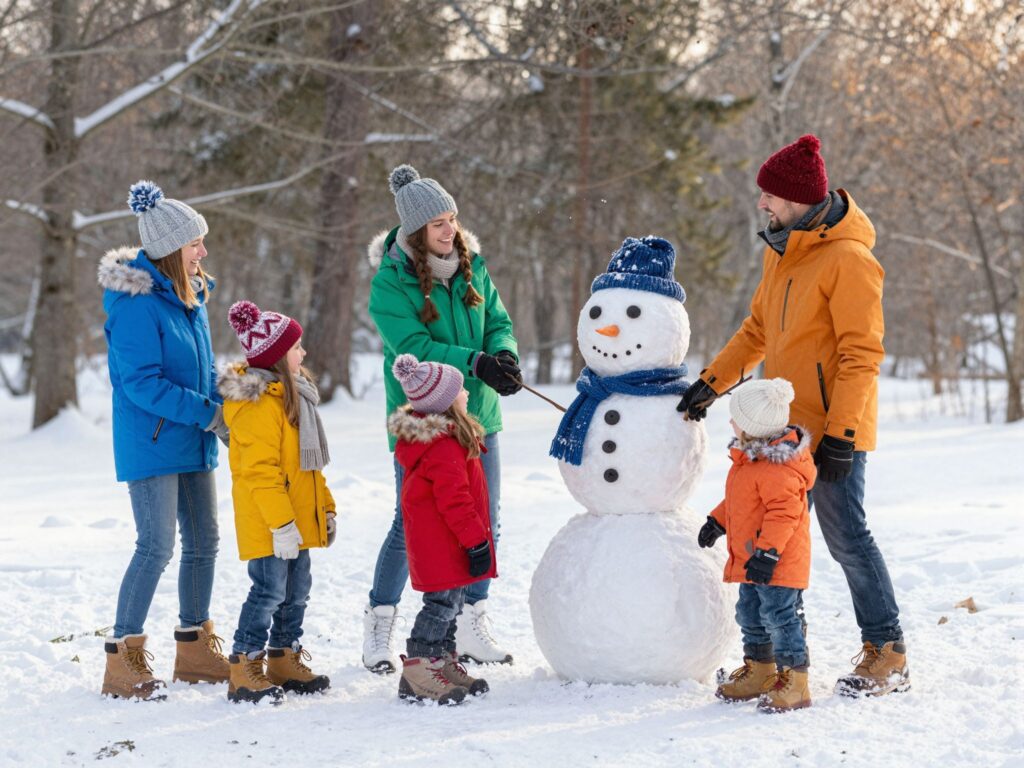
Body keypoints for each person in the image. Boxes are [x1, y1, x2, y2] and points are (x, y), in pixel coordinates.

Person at [678, 134, 910, 697]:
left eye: (770, 196)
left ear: (799, 198)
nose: (763, 204)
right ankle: (766, 660)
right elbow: (758, 329)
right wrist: (712, 382)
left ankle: (888, 650)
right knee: (761, 536)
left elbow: (862, 355)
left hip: (830, 431)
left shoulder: (850, 260)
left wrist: (842, 437)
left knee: (846, 536)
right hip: (776, 431)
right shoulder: (782, 251)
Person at [362, 164, 521, 673]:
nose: (449, 229)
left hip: (479, 415)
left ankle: (473, 619)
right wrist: (475, 362)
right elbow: (412, 345)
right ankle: (380, 621)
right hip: (426, 418)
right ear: (416, 232)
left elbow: (497, 319)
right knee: (411, 523)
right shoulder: (390, 284)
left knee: (485, 518)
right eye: (438, 223)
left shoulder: (472, 265)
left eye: (451, 218)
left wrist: (503, 354)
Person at [98, 180, 230, 700]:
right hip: (152, 440)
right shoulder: (136, 303)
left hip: (192, 435)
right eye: (196, 243)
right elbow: (142, 382)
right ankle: (122, 656)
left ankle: (195, 649)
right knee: (156, 546)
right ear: (173, 248)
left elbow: (200, 370)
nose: (203, 250)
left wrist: (230, 396)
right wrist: (207, 414)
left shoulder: (190, 296)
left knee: (205, 543)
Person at [218, 301, 337, 704]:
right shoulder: (256, 405)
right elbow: (260, 473)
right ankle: (244, 665)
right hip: (271, 521)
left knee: (297, 590)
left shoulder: (292, 396)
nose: (303, 354)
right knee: (268, 590)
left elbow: (309, 468)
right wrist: (281, 525)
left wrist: (326, 507)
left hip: (298, 518)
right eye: (296, 348)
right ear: (276, 356)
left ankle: (283, 656)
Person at [699, 378, 816, 713]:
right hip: (754, 558)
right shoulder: (751, 461)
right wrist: (717, 521)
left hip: (776, 561)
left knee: (780, 617)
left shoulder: (778, 470)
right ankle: (761, 670)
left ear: (752, 426)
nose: (731, 422)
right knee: (749, 613)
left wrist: (768, 553)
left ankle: (795, 679)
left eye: (735, 417)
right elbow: (741, 502)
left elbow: (785, 515)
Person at [388, 354, 497, 704]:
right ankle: (420, 671)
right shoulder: (443, 446)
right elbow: (456, 501)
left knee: (452, 604)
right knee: (440, 606)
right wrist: (476, 542)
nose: (466, 392)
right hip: (445, 543)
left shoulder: (447, 439)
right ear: (446, 402)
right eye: (460, 388)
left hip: (448, 542)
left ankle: (443, 662)